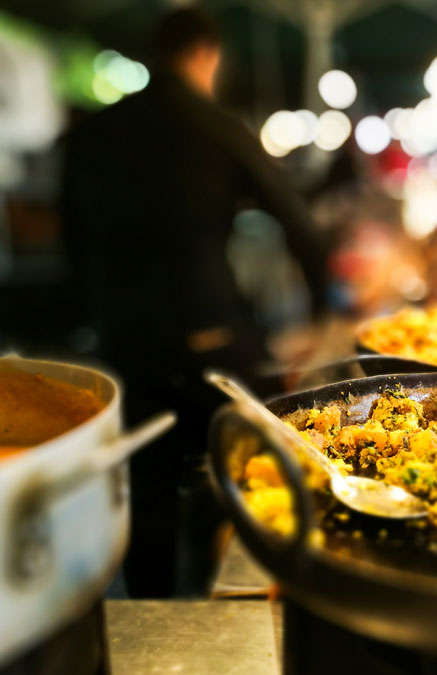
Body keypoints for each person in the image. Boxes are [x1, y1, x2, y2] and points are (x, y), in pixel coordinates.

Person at [61, 7, 330, 597]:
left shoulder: (91, 135)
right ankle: (224, 599)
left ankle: (151, 615)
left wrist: (96, 316)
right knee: (241, 474)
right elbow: (300, 226)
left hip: (127, 339)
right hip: (212, 331)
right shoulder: (219, 126)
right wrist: (319, 313)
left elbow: (72, 247)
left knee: (147, 487)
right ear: (207, 55)